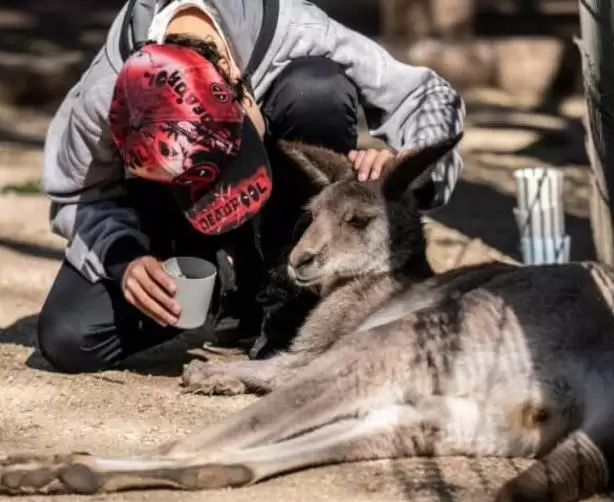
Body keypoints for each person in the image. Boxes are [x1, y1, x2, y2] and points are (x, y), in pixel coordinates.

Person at [37, 0, 465, 374]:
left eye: (228, 165)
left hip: (288, 209)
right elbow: (75, 195)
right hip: (177, 219)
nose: (222, 190)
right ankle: (230, 293)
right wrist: (125, 258)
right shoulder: (104, 94)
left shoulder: (295, 29)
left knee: (316, 89)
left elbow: (429, 97)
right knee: (69, 337)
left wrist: (403, 166)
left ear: (239, 87)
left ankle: (287, 308)